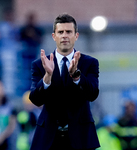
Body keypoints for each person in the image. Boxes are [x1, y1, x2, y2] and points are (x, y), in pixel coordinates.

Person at [29, 13, 100, 150]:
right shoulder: (40, 64)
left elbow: (92, 94)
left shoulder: (89, 63)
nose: (64, 35)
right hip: (48, 138)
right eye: (60, 32)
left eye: (69, 32)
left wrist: (77, 76)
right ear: (54, 36)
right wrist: (47, 77)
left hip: (81, 137)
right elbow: (36, 100)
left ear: (76, 36)